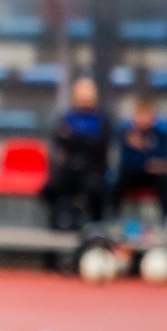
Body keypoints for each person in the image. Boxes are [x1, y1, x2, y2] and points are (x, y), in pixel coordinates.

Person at [41, 78, 111, 231]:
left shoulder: (101, 119)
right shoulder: (67, 117)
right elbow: (60, 139)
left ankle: (96, 223)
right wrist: (84, 139)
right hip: (70, 166)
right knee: (51, 187)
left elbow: (100, 144)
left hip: (92, 167)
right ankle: (64, 218)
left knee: (95, 188)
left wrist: (74, 137)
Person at [111, 96, 167, 224]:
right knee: (116, 180)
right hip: (132, 173)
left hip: (154, 176)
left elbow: (164, 159)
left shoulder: (161, 133)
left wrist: (145, 151)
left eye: (147, 115)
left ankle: (166, 216)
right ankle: (114, 216)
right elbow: (126, 161)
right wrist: (146, 160)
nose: (143, 119)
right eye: (140, 115)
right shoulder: (126, 133)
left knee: (165, 181)